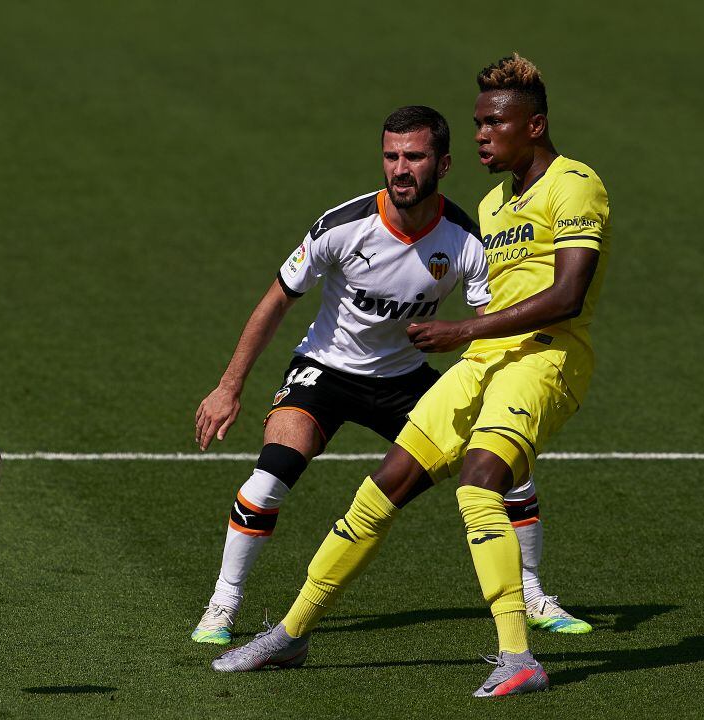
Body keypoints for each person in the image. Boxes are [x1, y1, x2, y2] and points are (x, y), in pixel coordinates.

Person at [211, 54, 612, 700]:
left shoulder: (576, 184)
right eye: (478, 122)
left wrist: (461, 333)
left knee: (483, 481)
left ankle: (519, 655)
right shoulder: (495, 203)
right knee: (382, 488)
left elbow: (568, 295)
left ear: (534, 126)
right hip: (485, 364)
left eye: (494, 122)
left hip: (543, 360)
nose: (482, 133)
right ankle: (291, 632)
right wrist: (472, 341)